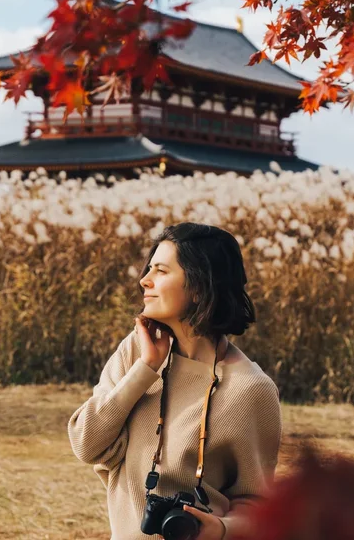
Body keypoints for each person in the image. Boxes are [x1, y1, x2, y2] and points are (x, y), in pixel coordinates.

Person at [68, 222, 282, 540]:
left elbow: (258, 507)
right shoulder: (136, 351)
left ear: (199, 287)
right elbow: (87, 445)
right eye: (149, 268)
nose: (145, 280)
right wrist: (146, 368)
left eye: (161, 271)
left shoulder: (251, 390)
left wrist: (222, 529)